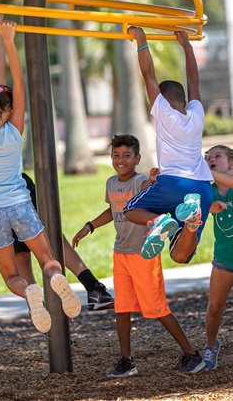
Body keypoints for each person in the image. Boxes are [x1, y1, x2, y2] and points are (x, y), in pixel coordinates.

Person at [0, 11, 114, 310]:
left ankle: (35, 294)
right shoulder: (3, 122)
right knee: (42, 252)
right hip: (16, 196)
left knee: (17, 267)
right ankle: (54, 290)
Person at [72, 134, 206, 377]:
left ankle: (191, 355)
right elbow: (113, 210)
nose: (120, 160)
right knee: (122, 309)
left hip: (144, 255)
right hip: (120, 254)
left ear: (137, 158)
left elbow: (148, 188)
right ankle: (126, 361)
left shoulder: (140, 181)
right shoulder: (111, 183)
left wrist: (153, 181)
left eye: (126, 156)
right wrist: (90, 226)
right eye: (116, 155)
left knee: (157, 309)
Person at [123, 27, 213, 264]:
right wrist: (187, 46)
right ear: (185, 101)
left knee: (130, 210)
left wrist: (141, 39)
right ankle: (190, 223)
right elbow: (194, 80)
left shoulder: (163, 112)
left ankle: (159, 221)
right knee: (180, 255)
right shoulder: (196, 114)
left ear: (160, 100)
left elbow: (148, 74)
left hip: (173, 182)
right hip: (203, 187)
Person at [202, 145, 233, 370]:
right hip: (224, 259)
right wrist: (209, 209)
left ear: (231, 163)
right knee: (214, 307)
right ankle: (211, 346)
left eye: (217, 156)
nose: (210, 159)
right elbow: (197, 211)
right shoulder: (208, 190)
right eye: (207, 158)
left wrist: (202, 168)